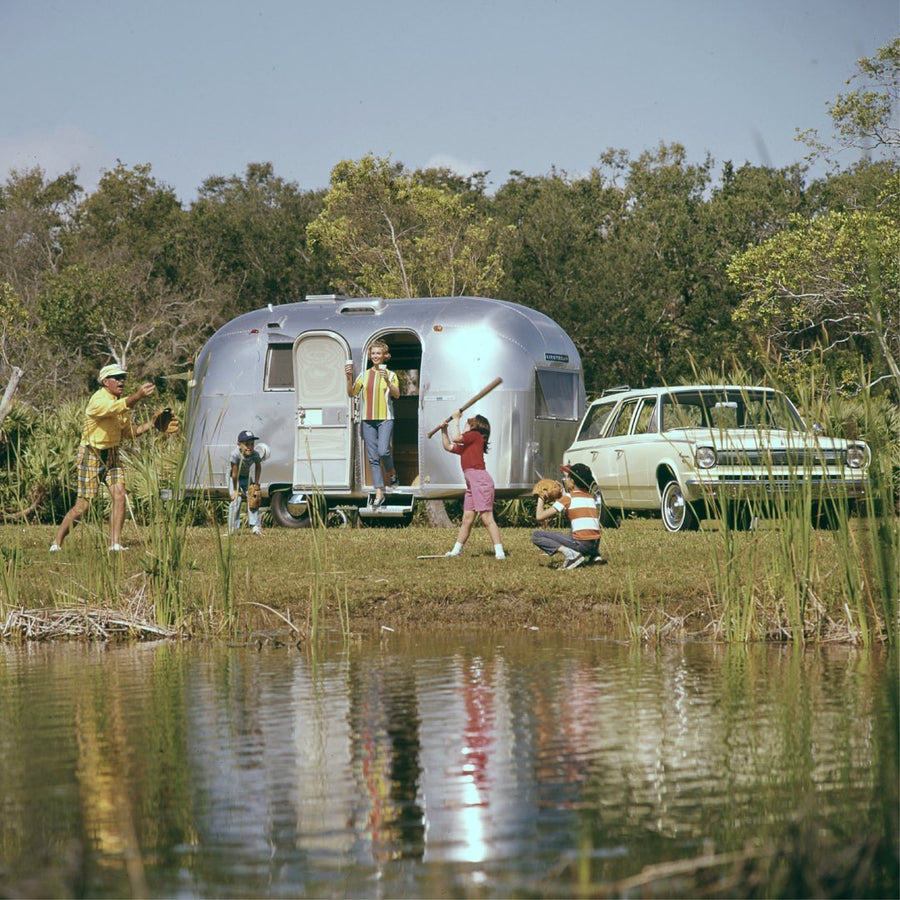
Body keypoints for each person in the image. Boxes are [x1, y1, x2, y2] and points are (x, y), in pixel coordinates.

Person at [50, 363, 157, 552]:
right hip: (92, 454)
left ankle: (114, 544)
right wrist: (138, 396)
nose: (121, 380)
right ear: (105, 382)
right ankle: (57, 542)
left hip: (112, 453)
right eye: (117, 377)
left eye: (123, 377)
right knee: (83, 506)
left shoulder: (119, 403)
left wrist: (152, 424)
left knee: (120, 494)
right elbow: (115, 409)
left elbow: (129, 432)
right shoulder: (98, 400)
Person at [440, 411, 506, 560]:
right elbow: (448, 446)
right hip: (472, 483)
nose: (463, 425)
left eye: (466, 423)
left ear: (474, 427)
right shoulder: (468, 443)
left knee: (487, 518)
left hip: (480, 480)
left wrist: (456, 419)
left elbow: (456, 438)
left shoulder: (475, 435)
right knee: (467, 519)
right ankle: (456, 551)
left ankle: (499, 552)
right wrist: (444, 430)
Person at [345, 340, 400, 508]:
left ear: (385, 356)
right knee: (373, 457)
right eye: (373, 353)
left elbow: (397, 395)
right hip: (367, 419)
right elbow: (351, 393)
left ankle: (392, 473)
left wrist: (388, 383)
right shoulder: (363, 375)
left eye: (378, 353)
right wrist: (348, 377)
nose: (375, 356)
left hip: (385, 418)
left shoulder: (391, 375)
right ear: (370, 356)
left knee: (383, 450)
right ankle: (379, 491)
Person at [531, 463, 604, 570]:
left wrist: (541, 496)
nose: (566, 480)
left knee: (536, 535)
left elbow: (540, 516)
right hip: (594, 545)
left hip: (582, 545)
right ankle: (595, 556)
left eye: (567, 477)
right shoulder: (590, 497)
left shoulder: (568, 498)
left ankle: (571, 555)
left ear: (572, 482)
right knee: (576, 527)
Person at [228, 429, 264, 535]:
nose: (249, 447)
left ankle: (255, 527)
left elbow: (258, 467)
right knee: (237, 500)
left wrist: (256, 483)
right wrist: (235, 490)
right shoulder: (235, 455)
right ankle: (232, 530)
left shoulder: (255, 454)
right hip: (233, 478)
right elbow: (234, 474)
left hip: (246, 477)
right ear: (239, 444)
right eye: (246, 444)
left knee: (253, 497)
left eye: (252, 444)